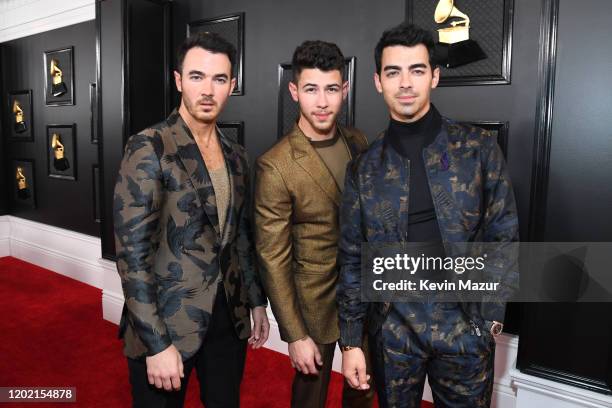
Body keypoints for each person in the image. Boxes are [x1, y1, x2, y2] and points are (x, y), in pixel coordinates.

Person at [337, 23, 519, 407]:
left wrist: (490, 316)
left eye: (417, 70)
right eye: (393, 72)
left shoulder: (478, 149)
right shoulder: (363, 169)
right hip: (394, 326)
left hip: (464, 323)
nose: (405, 82)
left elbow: (504, 233)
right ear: (377, 81)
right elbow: (353, 258)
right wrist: (352, 341)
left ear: (434, 76)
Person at [113, 31, 269, 408]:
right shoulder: (149, 146)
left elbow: (241, 237)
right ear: (179, 80)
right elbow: (131, 258)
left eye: (219, 79)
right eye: (197, 77)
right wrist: (156, 343)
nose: (208, 90)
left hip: (227, 322)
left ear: (232, 85)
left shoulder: (237, 156)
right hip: (167, 322)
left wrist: (256, 301)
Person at [255, 40, 374, 408]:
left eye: (331, 89)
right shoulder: (275, 165)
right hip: (311, 305)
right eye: (311, 89)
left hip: (358, 294)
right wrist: (293, 334)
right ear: (294, 91)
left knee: (363, 390)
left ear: (345, 90)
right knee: (310, 399)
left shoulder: (358, 141)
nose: (322, 102)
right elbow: (272, 256)